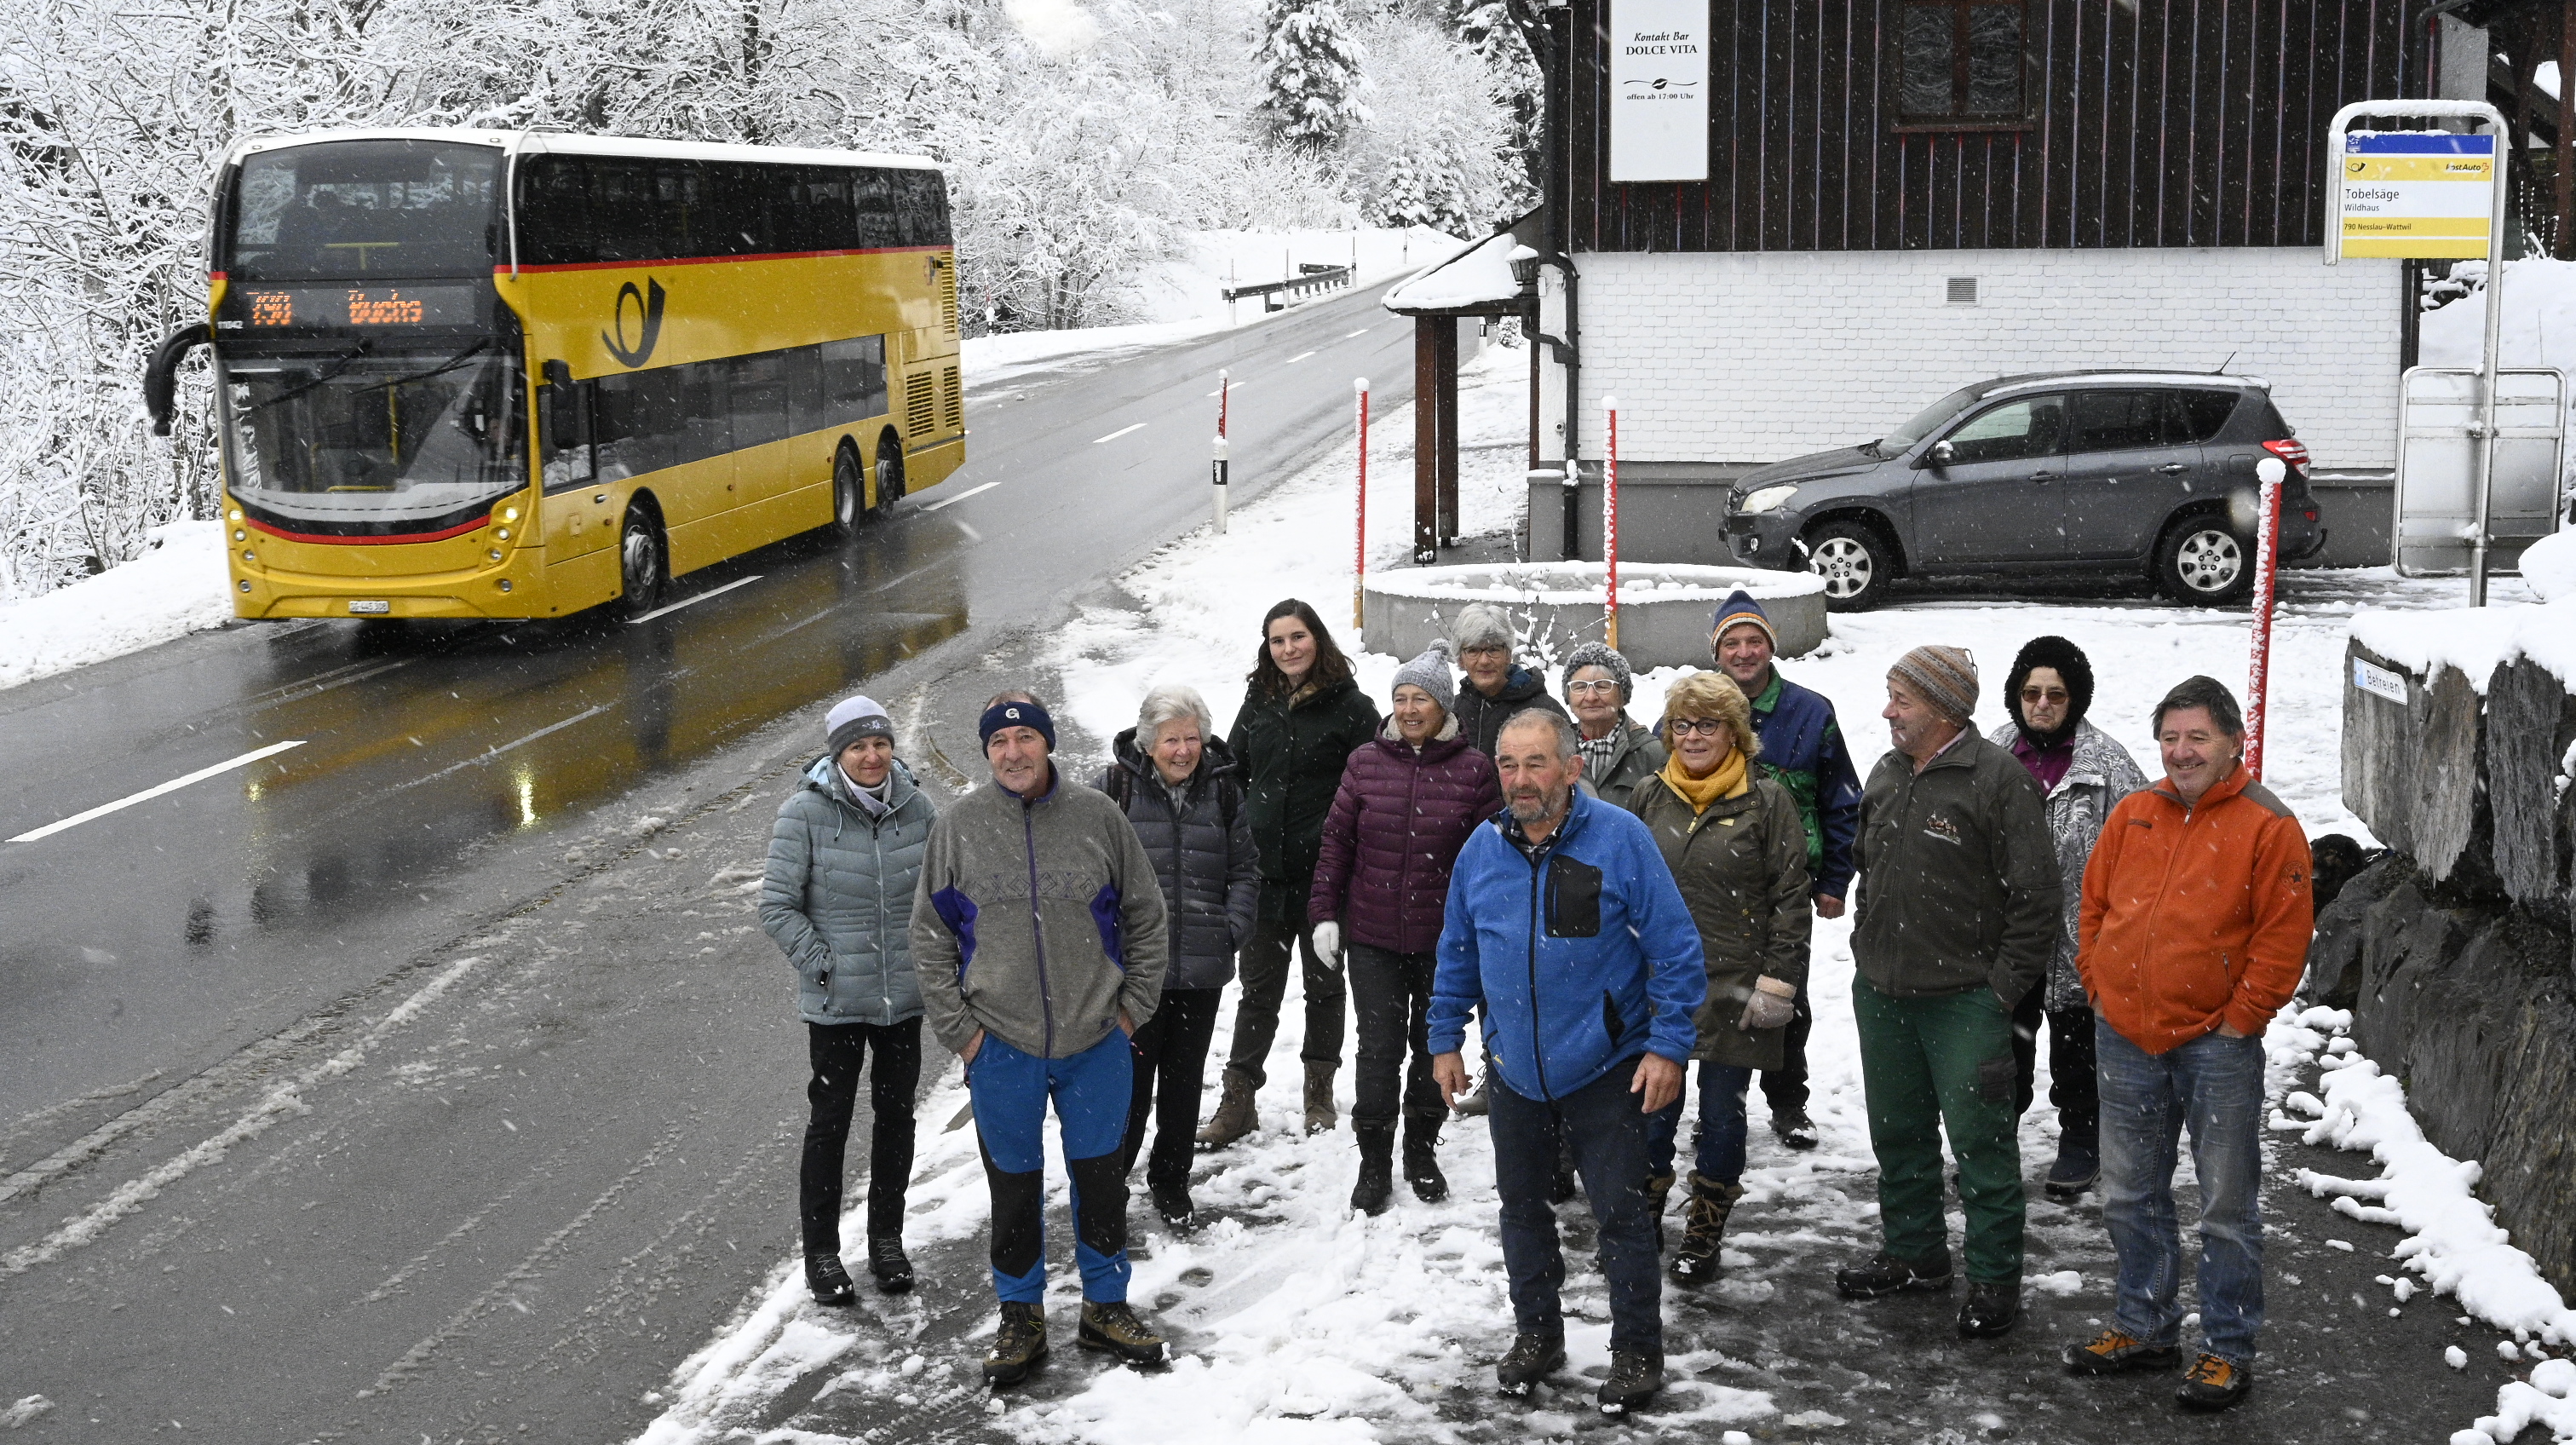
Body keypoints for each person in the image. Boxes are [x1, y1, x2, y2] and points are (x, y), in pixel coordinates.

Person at [1429, 709, 1705, 1416]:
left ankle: (1638, 1349)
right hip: (1515, 1070)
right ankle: (1537, 1334)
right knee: (1521, 1209)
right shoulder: (1480, 852)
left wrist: (1668, 1046)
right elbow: (1458, 951)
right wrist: (1443, 1039)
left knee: (1620, 1215)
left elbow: (1676, 952)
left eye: (1537, 764)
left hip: (1606, 1067)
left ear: (1573, 768)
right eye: (1509, 766)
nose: (1521, 781)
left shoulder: (1620, 841)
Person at [2062, 676, 2312, 1413]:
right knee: (2130, 1195)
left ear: (2233, 741)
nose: (2181, 752)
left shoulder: (2269, 826)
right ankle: (2145, 1327)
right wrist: (2100, 983)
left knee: (2227, 1207)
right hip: (2126, 1036)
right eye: (2170, 738)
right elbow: (2094, 902)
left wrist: (2242, 1018)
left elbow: (2283, 937)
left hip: (2217, 1046)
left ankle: (2228, 1350)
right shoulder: (2136, 812)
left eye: (2197, 737)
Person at [911, 692, 1172, 1385]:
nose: (1013, 753)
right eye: (999, 742)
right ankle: (1021, 1316)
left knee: (1100, 1179)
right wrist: (963, 1036)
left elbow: (1146, 916)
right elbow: (930, 936)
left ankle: (1105, 1306)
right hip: (1001, 1045)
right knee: (1015, 1186)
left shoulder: (1098, 817)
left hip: (1096, 1040)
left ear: (1046, 743)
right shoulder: (958, 828)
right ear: (987, 752)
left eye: (1025, 737)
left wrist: (1131, 1009)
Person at [1834, 646, 2060, 1341]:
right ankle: (1915, 1255)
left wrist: (2000, 992)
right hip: (1885, 994)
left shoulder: (1999, 781)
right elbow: (1867, 870)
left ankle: (1995, 1279)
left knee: (1981, 1148)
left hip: (1966, 1000)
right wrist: (1868, 947)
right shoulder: (1888, 770)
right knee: (1898, 1135)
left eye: (1900, 698)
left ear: (1942, 706)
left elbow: (2038, 901)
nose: (1887, 711)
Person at [1624, 672, 1810, 1285]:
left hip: (1736, 983)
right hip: (1659, 985)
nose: (1694, 736)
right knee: (1652, 1106)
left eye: (1709, 724)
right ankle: (1644, 1213)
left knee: (1723, 1111)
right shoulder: (1649, 797)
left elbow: (1790, 896)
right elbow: (1621, 890)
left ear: (1735, 732)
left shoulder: (1768, 800)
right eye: (1683, 723)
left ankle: (1705, 1227)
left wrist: (1778, 981)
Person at [1308, 642, 1501, 1214]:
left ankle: (1420, 1150)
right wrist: (1324, 912)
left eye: (1421, 698)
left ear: (1443, 706)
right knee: (1378, 1047)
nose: (1410, 708)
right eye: (1401, 698)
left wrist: (1487, 927)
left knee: (1432, 1046)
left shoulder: (1474, 771)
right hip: (1373, 935)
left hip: (1445, 941)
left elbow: (1491, 858)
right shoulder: (1365, 763)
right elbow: (1337, 843)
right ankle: (1373, 1162)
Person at [759, 695, 940, 1304]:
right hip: (836, 1002)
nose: (871, 757)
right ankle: (823, 1254)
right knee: (830, 1124)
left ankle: (886, 1241)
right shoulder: (804, 815)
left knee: (896, 1120)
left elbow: (945, 896)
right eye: (858, 747)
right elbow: (777, 906)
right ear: (838, 755)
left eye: (880, 744)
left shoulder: (918, 809)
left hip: (903, 1001)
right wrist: (824, 966)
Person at [1199, 601, 1382, 1147]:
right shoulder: (1260, 701)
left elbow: (1370, 785)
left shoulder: (1353, 708)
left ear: (1317, 640)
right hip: (1263, 876)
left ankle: (1319, 1092)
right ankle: (1239, 1100)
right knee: (1258, 988)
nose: (1288, 650)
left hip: (1325, 877)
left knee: (1325, 986)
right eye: (1278, 641)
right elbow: (1234, 769)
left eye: (1297, 637)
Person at [1985, 636, 2148, 1200]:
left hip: (2086, 948)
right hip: (2011, 944)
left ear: (2075, 697)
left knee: (2080, 1057)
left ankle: (2082, 1140)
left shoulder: (2109, 765)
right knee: (2004, 1054)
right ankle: (1992, 1145)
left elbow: (2145, 853)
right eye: (2031, 693)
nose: (2043, 704)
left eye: (2056, 693)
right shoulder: (1992, 756)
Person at [1100, 685, 1258, 1232]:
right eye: (1172, 740)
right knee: (1130, 1083)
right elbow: (1090, 877)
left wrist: (1230, 928)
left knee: (1184, 1082)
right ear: (1149, 743)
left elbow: (1244, 871)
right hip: (1135, 973)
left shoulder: (1224, 793)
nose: (1184, 750)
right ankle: (1111, 1180)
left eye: (1193, 738)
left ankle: (1170, 1180)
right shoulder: (1113, 789)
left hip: (1200, 968)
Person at [1707, 590, 1860, 1152]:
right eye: (1732, 643)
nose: (1744, 652)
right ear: (1718, 652)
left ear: (1770, 647)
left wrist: (1835, 879)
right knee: (1718, 997)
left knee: (1782, 997)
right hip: (1714, 885)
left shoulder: (1810, 712)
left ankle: (1787, 1102)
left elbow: (1842, 800)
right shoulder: (1696, 708)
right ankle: (1718, 1104)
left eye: (1754, 641)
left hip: (1789, 887)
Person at [1449, 601, 1573, 758]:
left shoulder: (1545, 711)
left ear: (1508, 654)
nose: (1484, 661)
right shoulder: (1451, 713)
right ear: (1461, 659)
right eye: (1473, 650)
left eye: (1493, 649)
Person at [1561, 641, 1665, 806]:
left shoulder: (1652, 754)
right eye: (1580, 687)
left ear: (1622, 697)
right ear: (1568, 697)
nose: (1591, 697)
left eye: (1602, 686)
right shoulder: (1558, 752)